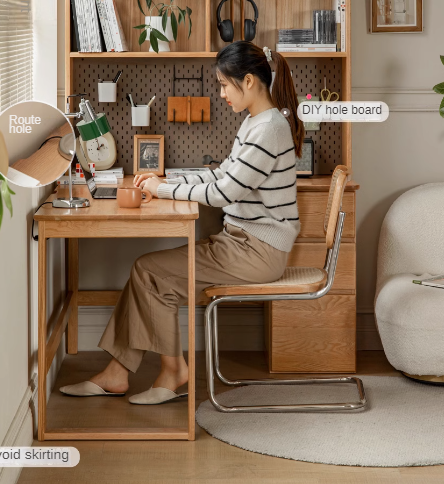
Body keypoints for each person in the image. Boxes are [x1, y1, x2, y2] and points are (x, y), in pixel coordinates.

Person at [60, 41, 305, 403]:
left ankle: (173, 371)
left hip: (255, 251)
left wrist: (165, 188)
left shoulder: (268, 129)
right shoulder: (258, 122)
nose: (221, 94)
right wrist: (164, 185)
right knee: (146, 273)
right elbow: (220, 176)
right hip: (242, 243)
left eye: (224, 85)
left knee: (150, 272)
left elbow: (223, 193)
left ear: (249, 81)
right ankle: (117, 374)